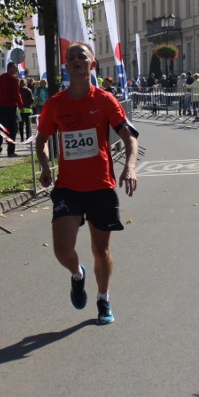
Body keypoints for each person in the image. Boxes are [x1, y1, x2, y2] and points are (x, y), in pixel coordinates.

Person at [35, 41, 139, 325]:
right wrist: (45, 165)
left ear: (93, 65)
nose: (77, 60)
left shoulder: (105, 100)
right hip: (68, 186)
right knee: (62, 248)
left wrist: (130, 169)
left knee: (100, 250)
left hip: (100, 186)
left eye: (83, 57)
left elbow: (130, 138)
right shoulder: (55, 104)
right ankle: (77, 274)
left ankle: (103, 299)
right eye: (72, 58)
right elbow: (42, 139)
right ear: (66, 67)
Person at [0, 62, 22, 157]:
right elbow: (16, 93)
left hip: (0, 106)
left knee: (0, 127)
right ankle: (10, 151)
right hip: (10, 107)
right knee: (11, 129)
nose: (16, 70)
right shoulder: (13, 79)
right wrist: (21, 104)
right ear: (9, 68)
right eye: (15, 68)